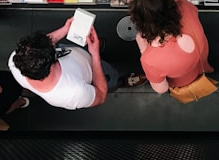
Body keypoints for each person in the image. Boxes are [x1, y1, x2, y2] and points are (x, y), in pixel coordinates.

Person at [8, 18, 146, 110]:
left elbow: (42, 44)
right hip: (95, 71)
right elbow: (100, 95)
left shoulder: (17, 60)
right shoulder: (73, 94)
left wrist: (65, 29)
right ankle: (121, 82)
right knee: (112, 77)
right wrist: (95, 54)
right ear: (53, 61)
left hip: (80, 54)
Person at [129, 0, 214, 95]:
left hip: (183, 81)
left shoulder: (150, 60)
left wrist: (144, 50)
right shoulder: (185, 6)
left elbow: (161, 89)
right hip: (201, 62)